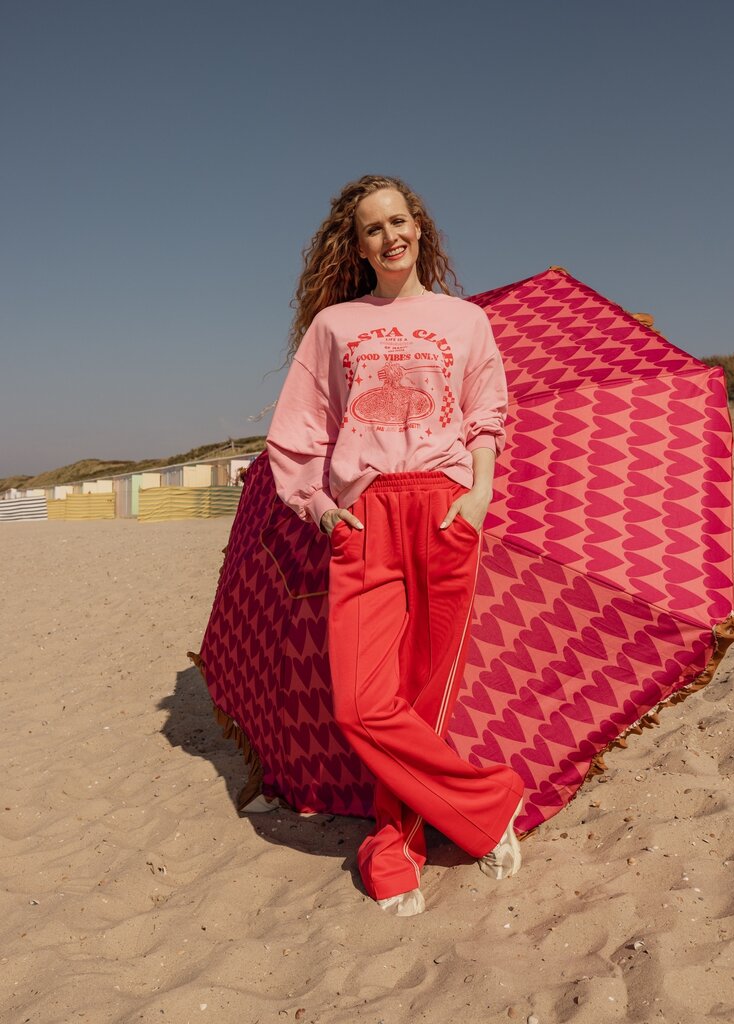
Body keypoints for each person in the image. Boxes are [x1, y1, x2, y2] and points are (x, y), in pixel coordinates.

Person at [266, 175, 525, 916]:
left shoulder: (464, 320)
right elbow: (299, 431)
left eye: (400, 220)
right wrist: (322, 511)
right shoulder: (334, 326)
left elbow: (485, 412)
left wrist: (478, 495)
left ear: (420, 228)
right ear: (357, 246)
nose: (391, 236)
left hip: (445, 509)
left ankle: (396, 844)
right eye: (374, 227)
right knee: (360, 704)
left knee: (425, 695)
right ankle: (490, 801)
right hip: (367, 515)